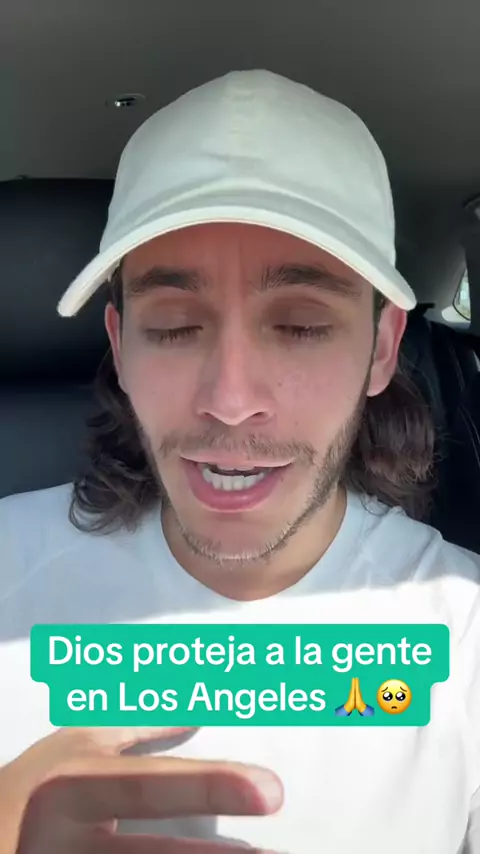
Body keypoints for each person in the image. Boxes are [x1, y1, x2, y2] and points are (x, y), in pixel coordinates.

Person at [1, 68, 480, 854]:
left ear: (381, 350)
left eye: (299, 326)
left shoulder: (464, 635)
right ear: (120, 349)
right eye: (174, 326)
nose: (228, 402)